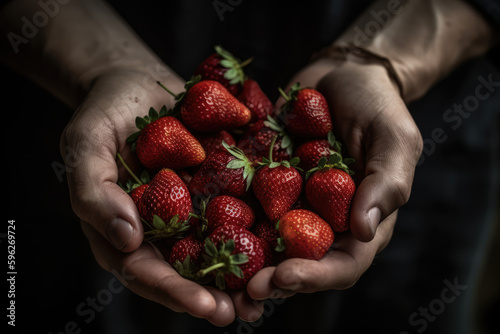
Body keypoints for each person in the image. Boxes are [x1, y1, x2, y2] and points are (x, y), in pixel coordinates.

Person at [1, 0, 498, 332]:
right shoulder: (232, 164)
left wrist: (378, 61)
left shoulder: (260, 171)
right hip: (61, 124)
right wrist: (104, 69)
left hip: (431, 144)